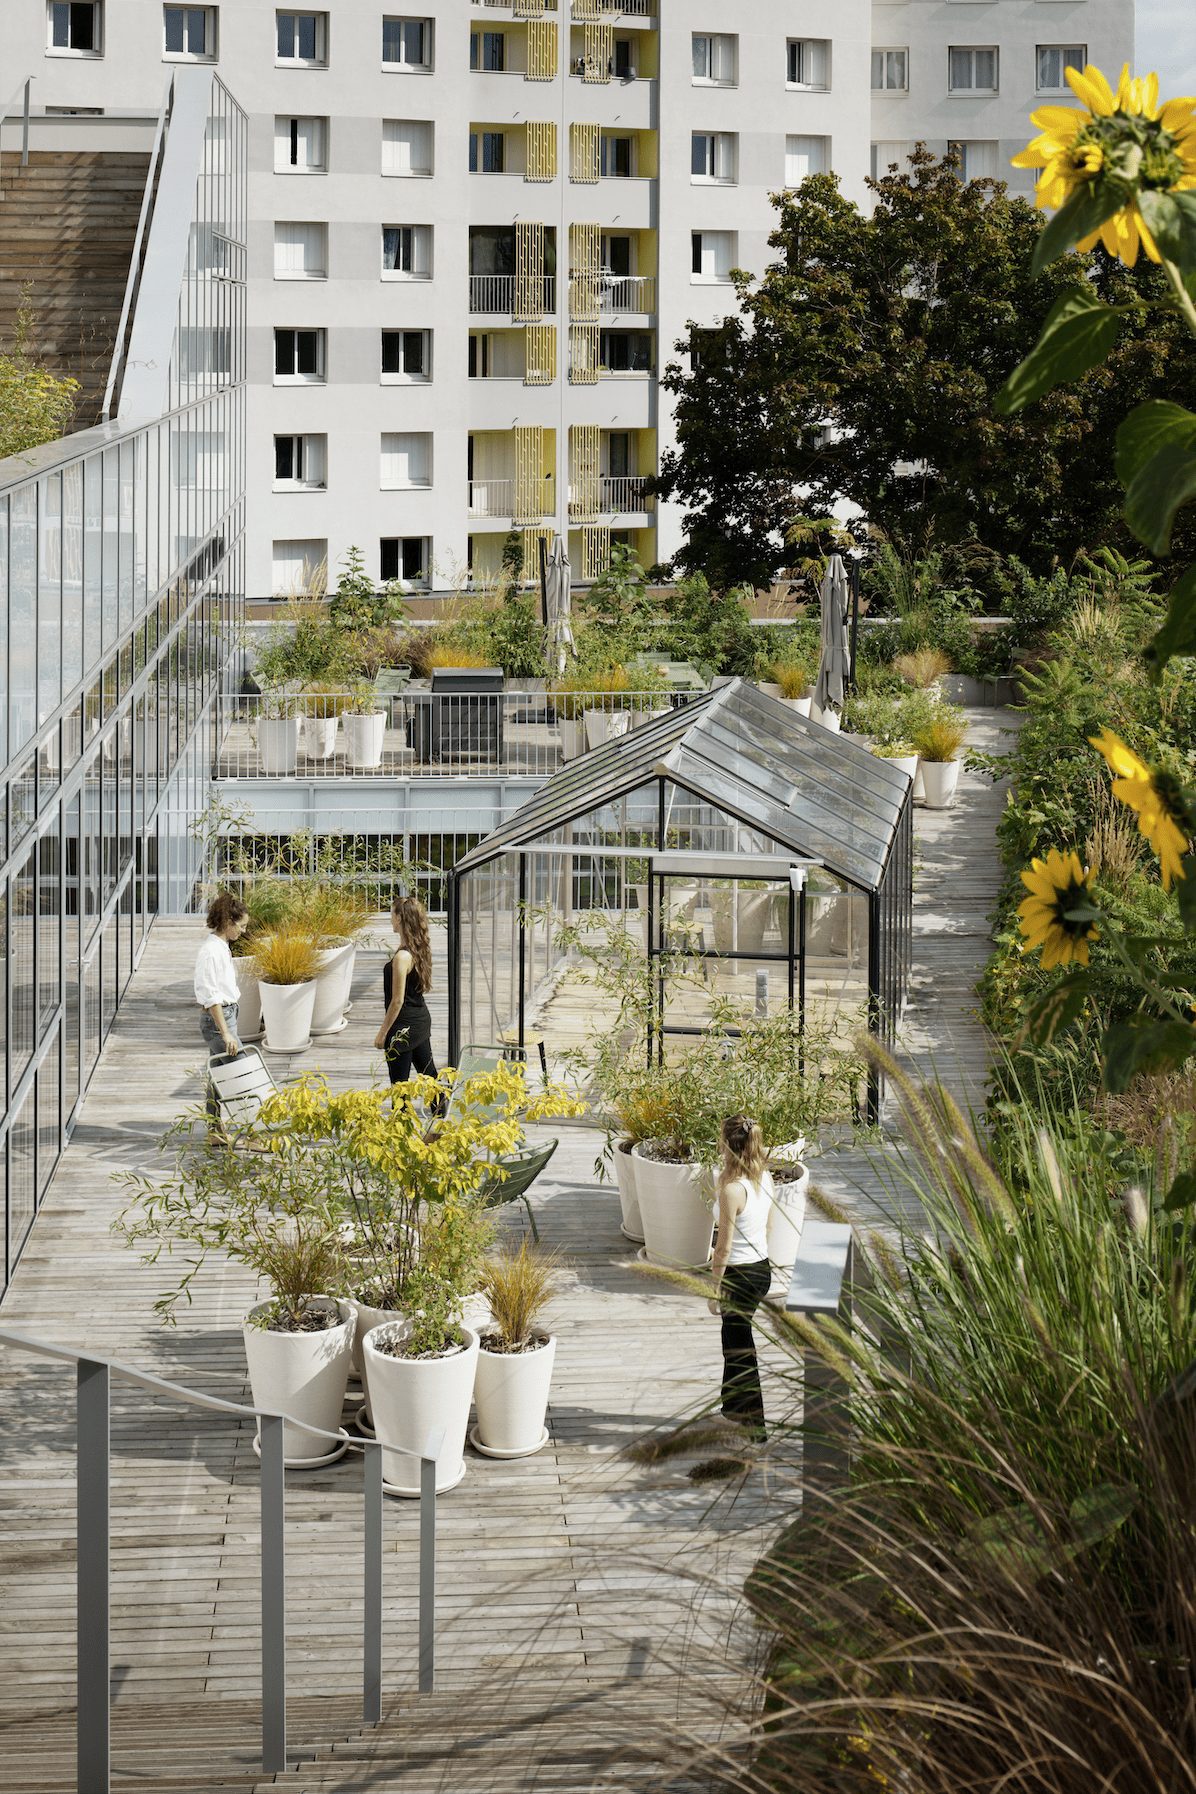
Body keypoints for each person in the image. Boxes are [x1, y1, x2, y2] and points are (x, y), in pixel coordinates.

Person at [707, 1114, 774, 1440]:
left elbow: (723, 1247)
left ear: (727, 1144)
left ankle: (757, 1428)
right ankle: (732, 1410)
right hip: (761, 1270)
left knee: (740, 1349)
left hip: (739, 1275)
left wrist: (714, 1286)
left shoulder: (732, 1190)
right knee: (732, 1343)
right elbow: (769, 1226)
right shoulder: (764, 1177)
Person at [194, 892, 249, 1126]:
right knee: (245, 1074)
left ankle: (214, 1130)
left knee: (216, 1076)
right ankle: (251, 1132)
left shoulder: (221, 946)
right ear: (228, 922)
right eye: (241, 926)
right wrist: (225, 1033)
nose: (243, 931)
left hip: (227, 1016)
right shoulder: (210, 952)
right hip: (218, 1022)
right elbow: (211, 996)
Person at [374, 893, 437, 1084]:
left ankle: (403, 1115)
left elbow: (397, 1000)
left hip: (402, 1028)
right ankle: (442, 1112)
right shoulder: (417, 948)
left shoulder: (402, 957)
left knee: (400, 1086)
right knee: (431, 1077)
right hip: (419, 1022)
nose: (391, 919)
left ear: (400, 918)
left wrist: (383, 1033)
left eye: (392, 914)